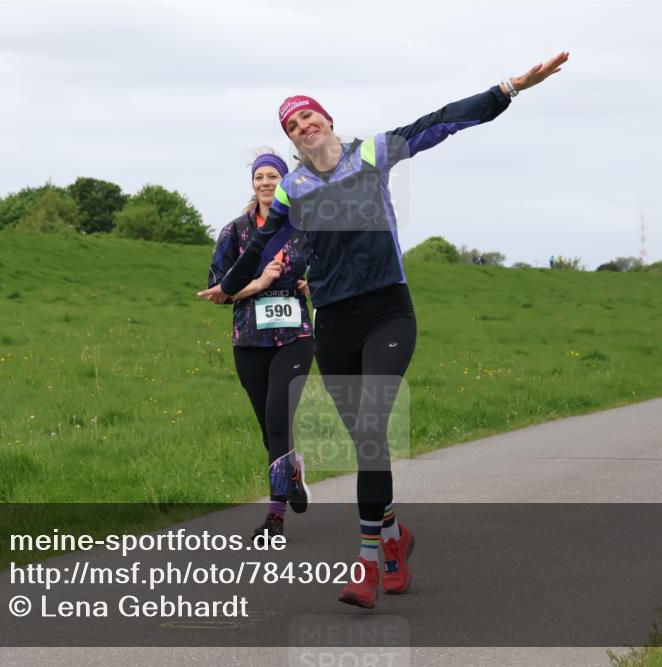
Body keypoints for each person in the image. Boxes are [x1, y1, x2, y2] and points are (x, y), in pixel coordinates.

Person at [198, 51, 569, 607]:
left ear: (327, 119)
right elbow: (258, 247)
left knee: (373, 427)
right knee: (366, 444)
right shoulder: (295, 188)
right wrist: (228, 284)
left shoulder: (371, 152)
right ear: (292, 141)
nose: (304, 126)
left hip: (388, 313)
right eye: (292, 126)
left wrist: (510, 88)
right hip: (335, 325)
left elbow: (441, 121)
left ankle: (368, 564)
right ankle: (395, 540)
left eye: (309, 117)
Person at [202, 150, 315, 542]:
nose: (266, 183)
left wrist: (310, 283)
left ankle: (275, 517)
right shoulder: (234, 232)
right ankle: (292, 470)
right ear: (253, 184)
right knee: (269, 428)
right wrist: (260, 284)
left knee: (278, 419)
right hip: (249, 339)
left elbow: (327, 271)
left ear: (285, 182)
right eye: (260, 177)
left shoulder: (305, 226)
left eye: (273, 176)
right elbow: (219, 291)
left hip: (295, 337)